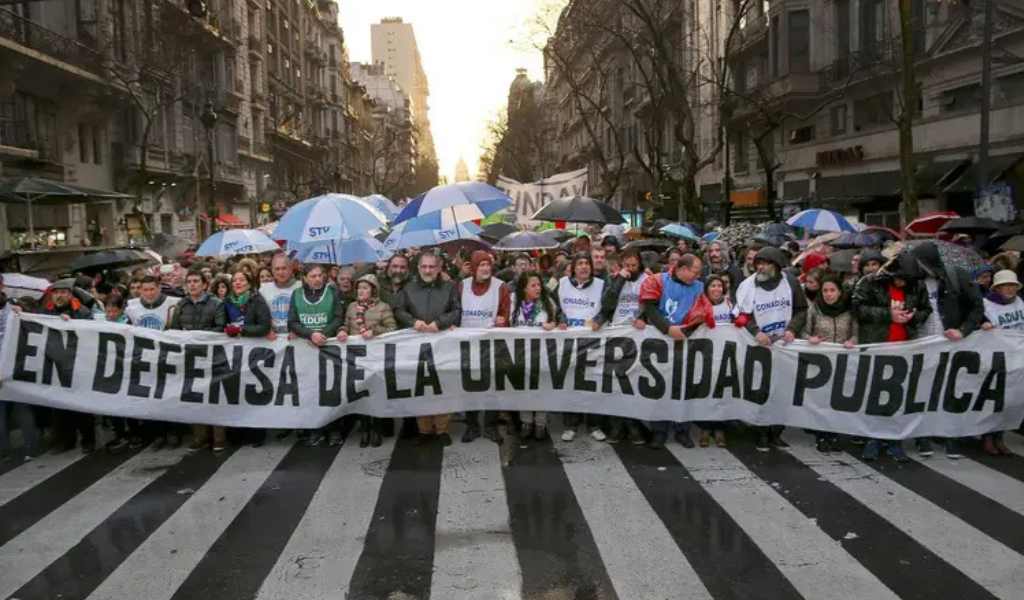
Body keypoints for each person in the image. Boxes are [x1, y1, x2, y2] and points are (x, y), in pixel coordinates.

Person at [853, 252, 932, 461]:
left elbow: (926, 309)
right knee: (873, 395)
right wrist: (889, 315)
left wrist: (914, 317)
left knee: (897, 397)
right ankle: (872, 439)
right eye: (899, 278)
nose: (902, 283)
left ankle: (894, 441)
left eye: (907, 280)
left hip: (904, 348)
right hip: (877, 345)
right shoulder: (869, 282)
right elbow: (858, 308)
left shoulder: (917, 285)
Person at [909, 241, 984, 459]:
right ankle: (923, 437)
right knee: (921, 392)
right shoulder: (915, 281)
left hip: (951, 345)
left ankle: (950, 436)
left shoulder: (956, 276)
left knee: (949, 391)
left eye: (920, 262)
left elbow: (977, 307)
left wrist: (963, 330)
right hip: (922, 343)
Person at [734, 246, 808, 450]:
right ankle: (761, 432)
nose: (760, 267)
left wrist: (793, 329)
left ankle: (777, 432)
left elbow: (802, 309)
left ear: (776, 266)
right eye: (758, 263)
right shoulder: (747, 286)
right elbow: (740, 315)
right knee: (761, 390)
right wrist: (755, 331)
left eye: (765, 263)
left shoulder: (790, 283)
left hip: (784, 345)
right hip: (759, 346)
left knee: (782, 391)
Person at [640, 253, 709, 448]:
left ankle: (682, 429)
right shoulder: (658, 281)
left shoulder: (699, 287)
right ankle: (659, 431)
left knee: (683, 388)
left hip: (685, 342)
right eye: (695, 271)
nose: (697, 275)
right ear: (683, 269)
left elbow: (701, 313)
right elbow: (650, 309)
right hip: (660, 342)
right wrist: (668, 329)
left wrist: (686, 331)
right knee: (660, 387)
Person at [393, 251, 461, 445]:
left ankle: (442, 430)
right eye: (424, 266)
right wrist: (413, 321)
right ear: (419, 268)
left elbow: (456, 310)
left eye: (432, 267)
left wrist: (439, 323)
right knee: (420, 386)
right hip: (417, 346)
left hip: (443, 345)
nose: (428, 270)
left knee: (443, 386)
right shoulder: (409, 288)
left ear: (438, 268)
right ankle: (424, 430)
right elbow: (398, 310)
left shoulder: (449, 287)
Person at [30, 280, 94, 453]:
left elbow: (91, 334)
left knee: (82, 405)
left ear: (70, 294)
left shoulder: (82, 312)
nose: (59, 296)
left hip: (77, 365)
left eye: (63, 292)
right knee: (61, 407)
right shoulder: (45, 312)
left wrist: (71, 322)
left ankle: (88, 439)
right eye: (56, 292)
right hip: (56, 366)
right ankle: (67, 440)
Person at [288, 264, 347, 446]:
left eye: (320, 275)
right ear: (305, 278)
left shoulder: (332, 292)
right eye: (313, 276)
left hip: (327, 347)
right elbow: (292, 322)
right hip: (306, 349)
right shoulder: (297, 294)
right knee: (310, 391)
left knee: (330, 389)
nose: (317, 279)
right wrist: (310, 334)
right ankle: (315, 428)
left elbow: (338, 317)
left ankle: (334, 429)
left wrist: (324, 333)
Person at [593, 248, 648, 444]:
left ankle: (633, 426)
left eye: (634, 266)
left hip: (636, 336)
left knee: (632, 383)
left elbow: (651, 304)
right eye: (627, 266)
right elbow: (607, 304)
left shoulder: (646, 280)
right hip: (616, 335)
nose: (631, 269)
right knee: (616, 382)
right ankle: (617, 426)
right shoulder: (613, 279)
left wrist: (643, 318)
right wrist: (619, 280)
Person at [170, 268, 227, 452]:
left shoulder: (216, 304)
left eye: (196, 281)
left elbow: (221, 328)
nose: (193, 284)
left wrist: (196, 336)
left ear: (204, 284)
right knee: (193, 396)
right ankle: (199, 437)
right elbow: (174, 330)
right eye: (190, 281)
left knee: (214, 396)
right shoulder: (181, 305)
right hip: (189, 357)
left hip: (212, 356)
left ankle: (218, 438)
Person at [799, 273, 857, 453]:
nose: (828, 294)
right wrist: (812, 339)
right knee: (821, 399)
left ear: (839, 292)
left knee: (838, 399)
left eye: (832, 290)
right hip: (821, 362)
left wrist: (852, 341)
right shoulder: (815, 309)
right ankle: (821, 435)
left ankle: (835, 434)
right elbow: (803, 332)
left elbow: (856, 332)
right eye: (825, 291)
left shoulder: (849, 310)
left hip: (842, 361)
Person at [457, 250, 511, 443]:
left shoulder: (500, 287)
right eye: (481, 265)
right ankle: (472, 425)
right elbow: (455, 310)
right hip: (466, 344)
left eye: (488, 264)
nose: (486, 268)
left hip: (491, 345)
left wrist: (503, 321)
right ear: (473, 267)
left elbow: (506, 312)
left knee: (492, 385)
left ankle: (490, 425)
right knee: (468, 385)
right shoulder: (462, 286)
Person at [339, 274, 397, 447]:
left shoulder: (383, 307)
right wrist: (342, 331)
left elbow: (393, 328)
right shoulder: (351, 307)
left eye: (365, 288)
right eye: (359, 288)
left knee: (376, 392)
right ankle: (365, 429)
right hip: (356, 357)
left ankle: (377, 429)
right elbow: (346, 324)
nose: (361, 291)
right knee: (361, 393)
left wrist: (375, 331)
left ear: (373, 290)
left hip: (376, 357)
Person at [554, 252, 607, 442]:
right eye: (580, 263)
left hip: (593, 341)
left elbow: (608, 308)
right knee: (570, 382)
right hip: (569, 342)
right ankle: (571, 424)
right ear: (574, 267)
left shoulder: (602, 285)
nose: (584, 267)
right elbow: (555, 307)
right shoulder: (562, 284)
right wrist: (560, 319)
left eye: (587, 263)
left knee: (592, 382)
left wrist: (599, 320)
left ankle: (594, 424)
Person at [126, 275, 181, 449]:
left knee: (170, 396)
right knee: (150, 398)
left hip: (167, 357)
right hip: (145, 358)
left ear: (159, 288)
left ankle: (173, 431)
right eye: (145, 290)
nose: (148, 293)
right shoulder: (132, 307)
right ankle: (157, 434)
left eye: (152, 289)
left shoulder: (174, 303)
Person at [220, 269, 273, 447]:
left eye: (242, 280)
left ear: (249, 283)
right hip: (233, 355)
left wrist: (242, 330)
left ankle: (257, 434)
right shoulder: (226, 302)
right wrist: (226, 330)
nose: (237, 283)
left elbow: (264, 326)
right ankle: (236, 433)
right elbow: (220, 325)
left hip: (252, 354)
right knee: (235, 393)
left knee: (253, 392)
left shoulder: (256, 300)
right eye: (234, 280)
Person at [510, 271, 563, 442]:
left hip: (542, 355)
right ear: (524, 288)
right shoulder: (514, 302)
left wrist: (554, 325)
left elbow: (559, 320)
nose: (538, 288)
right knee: (523, 389)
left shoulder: (548, 303)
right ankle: (526, 422)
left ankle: (540, 422)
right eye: (533, 285)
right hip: (520, 355)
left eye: (539, 285)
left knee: (541, 388)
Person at [979, 269, 1024, 455]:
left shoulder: (1020, 303)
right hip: (995, 357)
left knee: (1010, 399)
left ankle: (999, 436)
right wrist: (982, 325)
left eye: (1013, 285)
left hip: (1016, 357)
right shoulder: (986, 305)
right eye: (1006, 285)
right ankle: (987, 436)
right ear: (997, 287)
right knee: (993, 398)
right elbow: (977, 325)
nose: (1010, 289)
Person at [699, 274, 732, 448]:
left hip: (725, 355)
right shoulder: (699, 305)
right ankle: (705, 428)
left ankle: (720, 429)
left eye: (719, 285)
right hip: (705, 356)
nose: (717, 289)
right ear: (707, 289)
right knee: (706, 391)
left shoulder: (730, 305)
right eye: (713, 285)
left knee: (722, 392)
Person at [259, 252, 301, 341]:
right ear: (272, 271)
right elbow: (258, 315)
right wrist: (266, 330)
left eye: (284, 268)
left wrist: (298, 330)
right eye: (277, 269)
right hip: (272, 338)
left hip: (296, 337)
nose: (280, 272)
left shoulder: (301, 287)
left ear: (290, 269)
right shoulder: (263, 289)